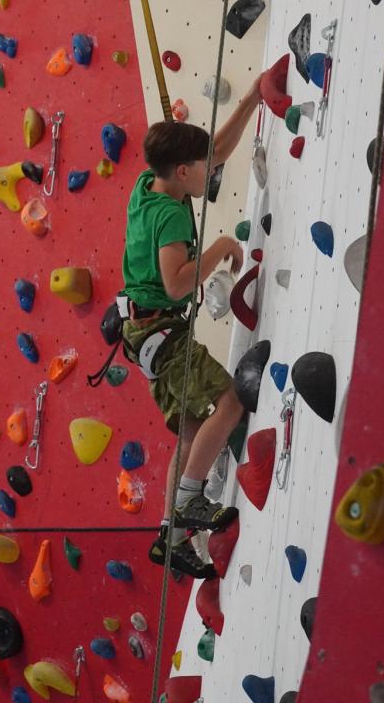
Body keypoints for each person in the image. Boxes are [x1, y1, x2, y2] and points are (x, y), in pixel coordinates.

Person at [120, 76, 263, 578]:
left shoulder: (149, 187)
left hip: (143, 333)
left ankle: (173, 537)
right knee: (230, 401)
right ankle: (188, 502)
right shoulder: (171, 217)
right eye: (203, 168)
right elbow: (177, 283)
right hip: (163, 333)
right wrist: (221, 245)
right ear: (182, 171)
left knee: (191, 430)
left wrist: (251, 99)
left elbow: (212, 151)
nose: (212, 171)